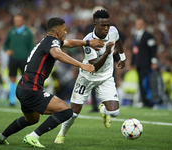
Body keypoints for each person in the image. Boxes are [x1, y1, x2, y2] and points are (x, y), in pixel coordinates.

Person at [0, 17, 104, 148]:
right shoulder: (52, 42)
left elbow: (69, 43)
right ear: (57, 32)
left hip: (23, 87)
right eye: (64, 29)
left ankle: (1, 137)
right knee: (67, 111)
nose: (66, 32)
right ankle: (33, 136)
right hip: (31, 89)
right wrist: (81, 65)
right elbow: (57, 54)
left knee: (32, 119)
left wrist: (88, 43)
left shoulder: (47, 41)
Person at [54, 9, 126, 143]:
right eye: (102, 26)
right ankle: (61, 134)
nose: (106, 28)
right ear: (95, 26)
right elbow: (94, 67)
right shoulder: (88, 40)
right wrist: (107, 53)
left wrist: (122, 57)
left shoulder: (113, 31)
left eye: (108, 25)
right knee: (74, 112)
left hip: (106, 77)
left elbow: (119, 40)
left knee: (114, 113)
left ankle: (103, 110)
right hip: (87, 77)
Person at [84, 6, 126, 112]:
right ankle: (95, 106)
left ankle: (108, 103)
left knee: (110, 79)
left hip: (109, 60)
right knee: (93, 82)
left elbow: (120, 37)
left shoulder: (112, 27)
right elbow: (85, 44)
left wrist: (117, 52)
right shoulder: (88, 28)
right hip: (95, 59)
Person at [3, 14, 34, 106]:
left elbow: (31, 47)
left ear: (22, 20)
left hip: (24, 59)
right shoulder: (11, 31)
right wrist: (7, 50)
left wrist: (30, 59)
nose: (17, 22)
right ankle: (11, 100)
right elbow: (5, 45)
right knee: (12, 78)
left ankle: (26, 100)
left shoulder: (28, 32)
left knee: (25, 79)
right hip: (13, 59)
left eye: (19, 20)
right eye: (15, 20)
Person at [131, 18, 157, 107]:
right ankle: (144, 101)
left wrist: (153, 61)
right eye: (136, 23)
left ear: (143, 24)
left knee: (146, 83)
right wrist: (133, 62)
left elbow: (153, 49)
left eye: (139, 23)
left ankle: (149, 102)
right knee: (140, 83)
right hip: (139, 64)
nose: (138, 25)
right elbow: (134, 50)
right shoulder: (135, 35)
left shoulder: (148, 36)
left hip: (146, 63)